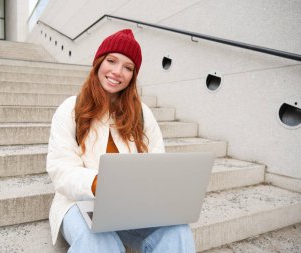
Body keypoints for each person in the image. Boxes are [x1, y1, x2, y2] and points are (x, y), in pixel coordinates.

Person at [46, 29, 196, 253]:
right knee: (98, 240)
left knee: (177, 230)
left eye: (128, 67)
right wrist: (99, 184)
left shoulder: (142, 114)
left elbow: (157, 165)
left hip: (130, 206)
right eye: (112, 61)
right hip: (79, 203)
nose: (117, 72)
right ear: (98, 62)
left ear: (133, 76)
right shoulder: (70, 108)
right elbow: (61, 170)